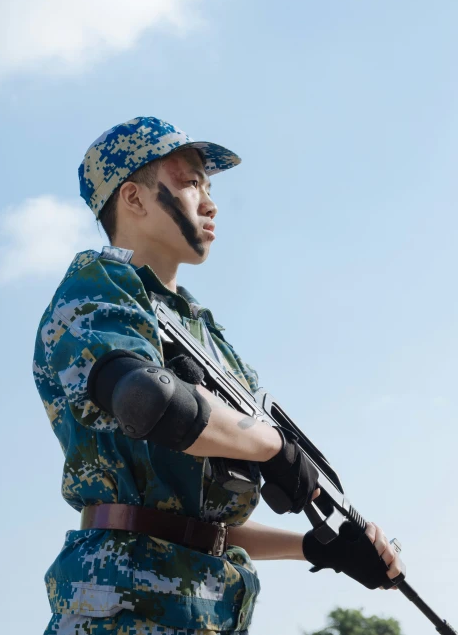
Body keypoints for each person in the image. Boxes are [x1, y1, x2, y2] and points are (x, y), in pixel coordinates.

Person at [33, 117, 404, 635]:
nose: (209, 202)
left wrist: (321, 549)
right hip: (123, 608)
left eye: (209, 186)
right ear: (134, 199)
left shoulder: (203, 333)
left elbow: (201, 523)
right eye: (189, 182)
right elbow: (151, 402)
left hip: (210, 612)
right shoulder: (101, 285)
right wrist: (273, 447)